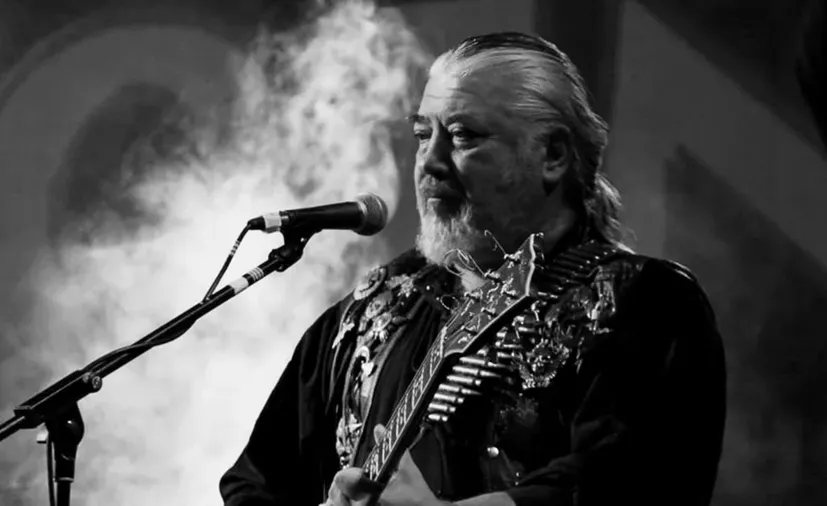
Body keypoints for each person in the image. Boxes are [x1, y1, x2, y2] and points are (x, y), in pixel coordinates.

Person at [220, 32, 726, 506]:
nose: (430, 162)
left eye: (463, 135)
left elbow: (634, 481)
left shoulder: (646, 303)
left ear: (553, 155)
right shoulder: (371, 308)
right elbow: (256, 481)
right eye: (423, 135)